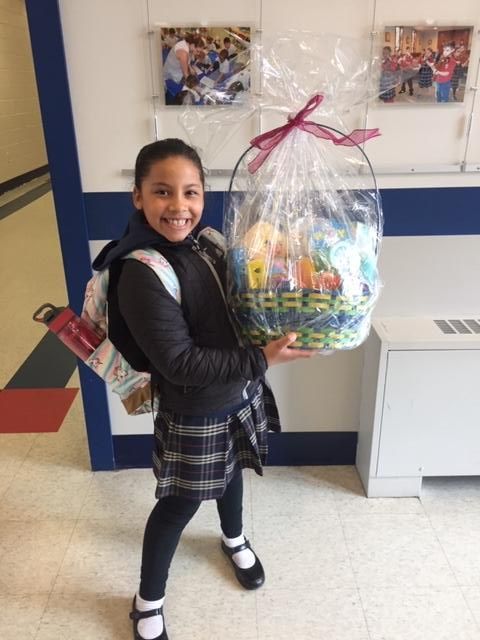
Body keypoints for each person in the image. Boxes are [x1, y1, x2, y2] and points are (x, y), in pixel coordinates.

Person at [92, 138, 313, 640]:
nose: (179, 205)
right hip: (195, 407)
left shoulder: (207, 241)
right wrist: (262, 358)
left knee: (233, 468)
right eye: (162, 191)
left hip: (239, 388)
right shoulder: (140, 271)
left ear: (203, 195)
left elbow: (246, 298)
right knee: (179, 504)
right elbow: (179, 363)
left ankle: (233, 539)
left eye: (190, 192)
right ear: (137, 196)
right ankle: (147, 602)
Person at [163, 34, 205, 104]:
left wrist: (190, 68)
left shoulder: (187, 45)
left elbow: (187, 61)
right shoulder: (183, 52)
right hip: (170, 77)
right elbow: (186, 75)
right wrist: (196, 88)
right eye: (197, 51)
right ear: (193, 45)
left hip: (175, 71)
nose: (198, 53)